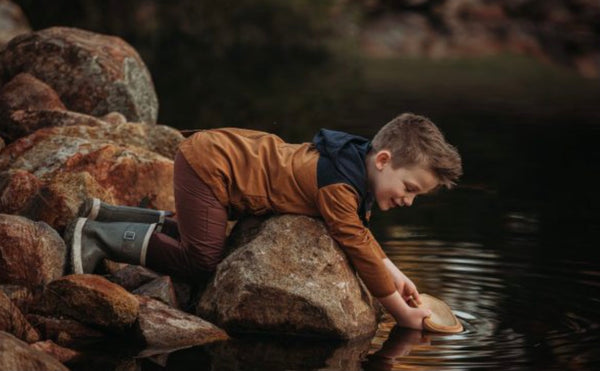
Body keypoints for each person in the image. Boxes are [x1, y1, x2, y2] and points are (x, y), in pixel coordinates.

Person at [64, 113, 462, 330]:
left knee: (201, 230)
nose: (409, 201)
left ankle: (108, 214)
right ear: (384, 160)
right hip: (212, 166)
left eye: (415, 196)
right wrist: (398, 310)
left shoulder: (355, 167)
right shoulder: (340, 185)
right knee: (202, 257)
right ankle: (98, 235)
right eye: (409, 188)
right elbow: (355, 243)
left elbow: (360, 231)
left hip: (218, 161)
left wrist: (394, 271)